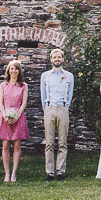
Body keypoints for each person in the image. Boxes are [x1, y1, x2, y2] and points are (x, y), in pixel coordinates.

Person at [41, 48, 74, 181]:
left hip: (63, 109)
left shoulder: (69, 76)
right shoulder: (45, 76)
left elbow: (70, 94)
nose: (57, 59)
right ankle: (49, 172)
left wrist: (65, 107)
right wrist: (46, 109)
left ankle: (60, 171)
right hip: (49, 108)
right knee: (49, 142)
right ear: (51, 59)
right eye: (55, 57)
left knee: (62, 142)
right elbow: (43, 94)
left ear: (63, 59)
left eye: (59, 57)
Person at [0, 60, 29, 182]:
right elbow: (0, 102)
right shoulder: (3, 85)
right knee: (5, 145)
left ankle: (14, 173)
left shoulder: (24, 86)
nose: (14, 71)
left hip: (18, 116)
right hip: (5, 115)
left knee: (17, 145)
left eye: (16, 69)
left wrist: (17, 116)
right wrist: (4, 115)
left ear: (19, 71)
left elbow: (24, 103)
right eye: (11, 69)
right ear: (8, 71)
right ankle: (7, 173)